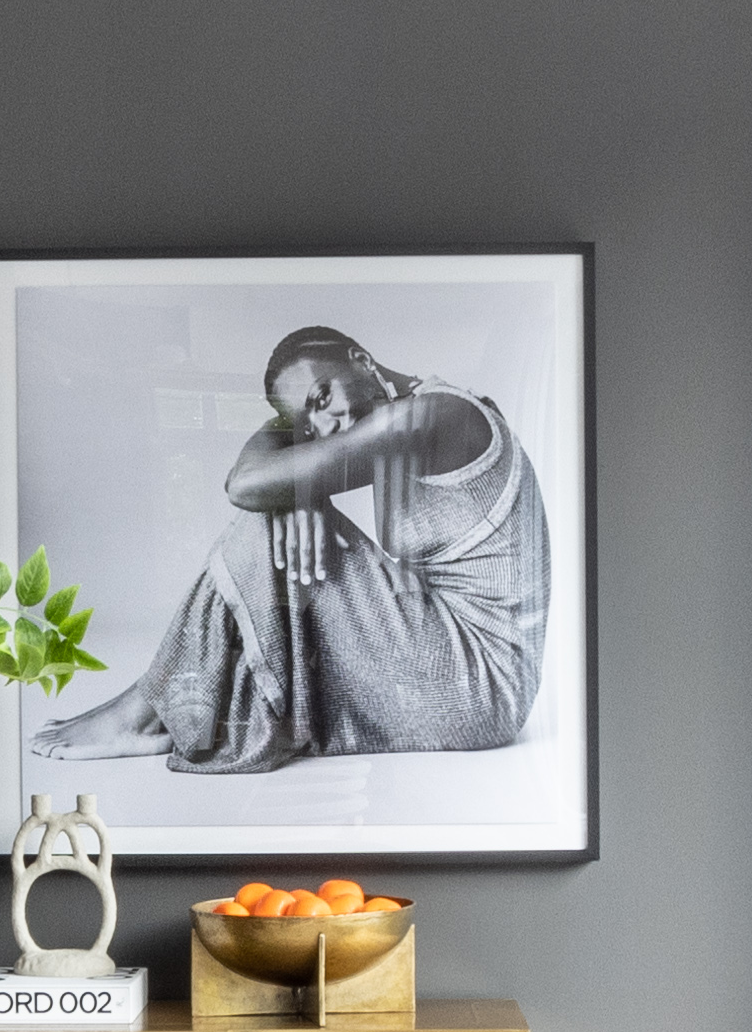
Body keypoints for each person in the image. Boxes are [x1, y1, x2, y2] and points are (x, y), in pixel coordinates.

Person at [36, 327, 549, 773]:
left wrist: (300, 487)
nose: (324, 426)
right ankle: (177, 706)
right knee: (279, 507)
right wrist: (303, 490)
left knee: (263, 518)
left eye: (322, 395)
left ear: (362, 361)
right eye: (307, 423)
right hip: (447, 643)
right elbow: (275, 479)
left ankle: (145, 708)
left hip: (481, 687)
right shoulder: (404, 407)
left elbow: (246, 484)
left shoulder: (432, 418)